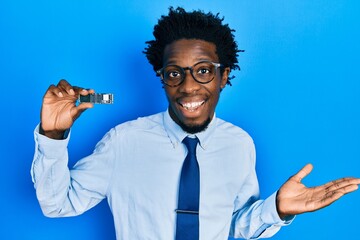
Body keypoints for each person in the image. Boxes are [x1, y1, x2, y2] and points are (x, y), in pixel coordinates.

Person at [31, 7, 360, 240]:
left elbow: (231, 225)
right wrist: (53, 135)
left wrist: (276, 208)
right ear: (162, 78)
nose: (188, 87)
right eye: (175, 73)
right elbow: (58, 204)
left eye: (203, 70)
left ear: (223, 76)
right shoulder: (123, 142)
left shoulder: (240, 144)